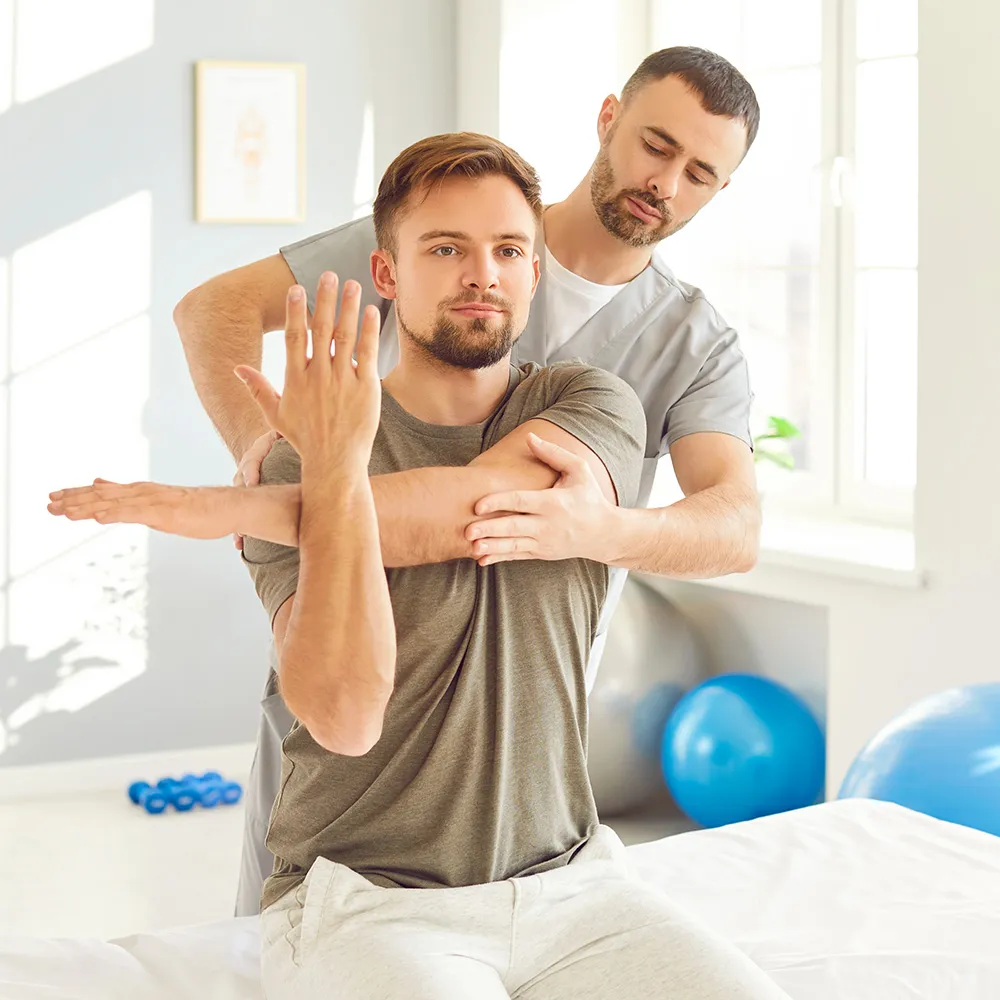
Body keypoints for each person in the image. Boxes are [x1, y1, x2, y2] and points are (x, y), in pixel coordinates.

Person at [49, 133, 788, 1000]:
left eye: (509, 250)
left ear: (536, 273)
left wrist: (253, 513)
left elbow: (478, 508)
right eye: (446, 248)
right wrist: (325, 471)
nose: (484, 274)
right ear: (386, 274)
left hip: (574, 886)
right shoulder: (301, 459)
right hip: (364, 900)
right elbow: (345, 715)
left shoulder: (590, 401)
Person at [172, 46, 763, 917]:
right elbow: (212, 311)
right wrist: (271, 451)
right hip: (360, 646)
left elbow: (733, 526)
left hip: (525, 695)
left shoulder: (692, 342)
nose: (665, 183)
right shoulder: (455, 228)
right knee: (291, 931)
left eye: (701, 173)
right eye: (655, 145)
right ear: (608, 118)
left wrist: (600, 530)